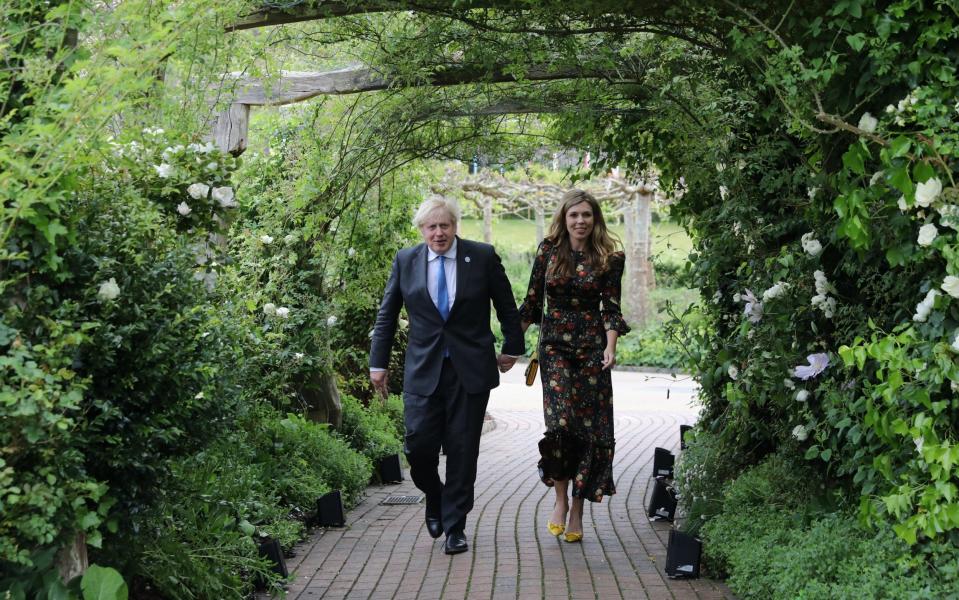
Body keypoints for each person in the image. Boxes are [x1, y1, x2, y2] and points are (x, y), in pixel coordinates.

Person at [370, 195, 525, 555]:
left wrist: (512, 347)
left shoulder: (481, 256)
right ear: (422, 229)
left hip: (469, 371)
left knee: (462, 450)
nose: (439, 233)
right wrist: (377, 363)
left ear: (455, 226)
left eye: (445, 225)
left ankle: (455, 526)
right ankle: (434, 496)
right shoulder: (406, 260)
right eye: (431, 226)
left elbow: (506, 305)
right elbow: (386, 314)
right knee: (419, 446)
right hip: (423, 370)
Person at [519, 189, 630, 543]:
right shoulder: (548, 251)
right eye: (574, 215)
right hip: (554, 348)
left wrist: (610, 347)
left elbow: (611, 307)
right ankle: (560, 500)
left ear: (595, 218)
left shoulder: (610, 256)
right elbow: (533, 302)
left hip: (591, 350)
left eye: (586, 215)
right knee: (560, 425)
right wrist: (509, 348)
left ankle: (578, 510)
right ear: (564, 219)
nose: (580, 221)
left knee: (589, 431)